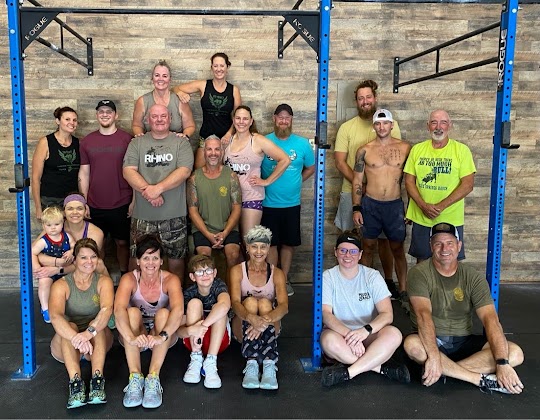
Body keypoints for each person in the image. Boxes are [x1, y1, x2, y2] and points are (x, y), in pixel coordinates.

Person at [403, 222, 525, 394]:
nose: (444, 248)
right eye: (438, 243)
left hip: (464, 341)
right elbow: (423, 315)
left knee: (515, 353)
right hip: (431, 340)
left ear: (459, 246)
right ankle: (477, 378)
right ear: (431, 246)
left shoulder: (473, 277)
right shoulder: (419, 273)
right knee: (412, 345)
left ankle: (445, 371)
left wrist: (502, 364)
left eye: (450, 243)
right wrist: (434, 354)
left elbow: (490, 319)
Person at [334, 80, 401, 298]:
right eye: (361, 98)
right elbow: (340, 162)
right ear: (356, 101)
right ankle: (354, 285)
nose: (365, 101)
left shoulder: (390, 123)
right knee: (352, 239)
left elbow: (397, 159)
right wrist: (361, 184)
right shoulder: (347, 128)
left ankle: (388, 282)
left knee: (384, 240)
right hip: (351, 191)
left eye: (368, 97)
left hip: (383, 198)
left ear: (375, 98)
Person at [320, 231, 410, 387]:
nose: (348, 255)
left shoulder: (372, 276)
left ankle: (349, 372)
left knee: (394, 334)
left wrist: (364, 331)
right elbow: (326, 314)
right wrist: (350, 336)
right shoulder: (328, 277)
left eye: (353, 251)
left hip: (369, 334)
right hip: (341, 335)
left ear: (360, 254)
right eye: (343, 250)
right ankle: (379, 367)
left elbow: (387, 314)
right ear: (335, 252)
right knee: (327, 341)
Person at [123, 104, 194, 282]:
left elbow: (184, 171)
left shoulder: (181, 142)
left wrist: (158, 188)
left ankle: (175, 295)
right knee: (136, 259)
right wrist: (149, 191)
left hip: (174, 215)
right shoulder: (137, 143)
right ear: (147, 120)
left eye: (163, 116)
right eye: (154, 116)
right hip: (142, 215)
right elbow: (128, 171)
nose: (159, 120)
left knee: (176, 260)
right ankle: (136, 295)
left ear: (170, 118)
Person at [114, 234, 184, 409]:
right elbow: (118, 310)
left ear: (161, 261)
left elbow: (178, 310)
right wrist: (130, 337)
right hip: (136, 333)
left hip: (161, 334)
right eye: (146, 258)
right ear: (138, 261)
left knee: (163, 313)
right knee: (131, 312)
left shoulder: (170, 280)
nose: (150, 263)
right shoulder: (129, 279)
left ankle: (153, 378)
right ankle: (135, 377)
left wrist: (163, 335)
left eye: (155, 258)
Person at [352, 109, 411, 305]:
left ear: (392, 125)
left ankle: (403, 290)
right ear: (374, 126)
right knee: (368, 246)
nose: (382, 127)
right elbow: (357, 181)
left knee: (397, 248)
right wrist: (356, 208)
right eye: (378, 123)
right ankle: (365, 289)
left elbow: (412, 180)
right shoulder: (364, 150)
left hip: (394, 205)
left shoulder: (405, 148)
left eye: (385, 123)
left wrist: (411, 209)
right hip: (371, 204)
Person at [48, 238, 114, 409]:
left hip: (96, 342)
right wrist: (78, 338)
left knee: (96, 324)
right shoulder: (61, 285)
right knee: (69, 326)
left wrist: (88, 333)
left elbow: (106, 310)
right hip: (69, 344)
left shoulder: (103, 281)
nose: (89, 261)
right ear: (75, 260)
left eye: (93, 257)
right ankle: (75, 384)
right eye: (83, 257)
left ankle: (97, 381)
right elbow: (55, 316)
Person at [404, 109, 475, 263]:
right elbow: (408, 181)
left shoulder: (461, 150)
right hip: (421, 217)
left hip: (450, 218)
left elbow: (468, 185)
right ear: (427, 126)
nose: (438, 127)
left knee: (449, 262)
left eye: (443, 122)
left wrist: (440, 206)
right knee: (422, 262)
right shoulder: (417, 149)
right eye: (434, 122)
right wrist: (423, 206)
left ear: (450, 125)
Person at [261, 104, 315, 297]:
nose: (283, 121)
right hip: (268, 203)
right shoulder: (264, 141)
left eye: (287, 118)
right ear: (274, 119)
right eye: (280, 117)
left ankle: (283, 279)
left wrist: (298, 179)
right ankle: (273, 280)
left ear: (291, 120)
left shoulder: (302, 144)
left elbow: (311, 167)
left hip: (292, 203)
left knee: (288, 243)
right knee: (271, 243)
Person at [229, 225, 288, 390]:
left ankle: (269, 364)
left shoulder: (277, 273)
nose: (259, 251)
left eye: (263, 247)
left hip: (268, 326)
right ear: (247, 247)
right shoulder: (237, 271)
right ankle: (252, 363)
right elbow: (235, 303)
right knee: (249, 302)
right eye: (254, 246)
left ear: (268, 248)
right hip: (243, 328)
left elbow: (284, 306)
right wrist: (251, 318)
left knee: (264, 303)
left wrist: (262, 322)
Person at [79, 100, 133, 277]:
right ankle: (99, 280)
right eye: (101, 111)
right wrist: (84, 202)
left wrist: (134, 200)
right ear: (96, 115)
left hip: (121, 202)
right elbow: (84, 173)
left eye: (108, 111)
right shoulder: (87, 141)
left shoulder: (127, 140)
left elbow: (135, 171)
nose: (105, 114)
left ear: (116, 115)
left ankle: (124, 277)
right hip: (95, 204)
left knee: (122, 243)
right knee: (96, 246)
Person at [224, 105, 290, 238]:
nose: (241, 122)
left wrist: (266, 181)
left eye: (245, 119)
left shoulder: (258, 140)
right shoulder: (227, 140)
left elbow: (285, 160)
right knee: (232, 242)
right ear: (233, 120)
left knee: (249, 240)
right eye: (238, 118)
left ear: (251, 121)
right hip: (228, 198)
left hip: (251, 197)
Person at [172, 52, 242, 168]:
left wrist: (229, 134)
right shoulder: (203, 85)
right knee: (198, 172)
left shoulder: (234, 90)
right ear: (211, 67)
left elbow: (239, 117)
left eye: (222, 65)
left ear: (227, 67)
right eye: (215, 66)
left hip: (225, 139)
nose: (218, 69)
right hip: (205, 137)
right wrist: (180, 93)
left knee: (223, 173)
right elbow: (175, 88)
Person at [187, 135, 242, 275]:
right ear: (204, 152)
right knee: (204, 257)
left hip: (227, 228)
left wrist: (225, 233)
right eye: (209, 149)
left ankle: (231, 288)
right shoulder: (194, 178)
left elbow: (237, 208)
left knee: (233, 255)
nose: (213, 153)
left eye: (217, 149)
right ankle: (208, 288)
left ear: (222, 152)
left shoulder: (231, 176)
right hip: (203, 229)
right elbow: (193, 211)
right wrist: (208, 234)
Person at [34, 194, 110, 290]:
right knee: (44, 279)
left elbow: (89, 262)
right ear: (64, 212)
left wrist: (57, 269)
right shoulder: (55, 226)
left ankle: (107, 293)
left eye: (79, 208)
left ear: (86, 211)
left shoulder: (96, 233)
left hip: (85, 270)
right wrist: (57, 262)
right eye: (70, 209)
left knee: (98, 263)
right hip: (61, 268)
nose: (75, 212)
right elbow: (33, 252)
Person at [178, 255, 231, 389]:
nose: (205, 275)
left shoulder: (219, 286)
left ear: (215, 273)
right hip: (194, 342)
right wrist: (192, 330)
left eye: (208, 270)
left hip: (218, 341)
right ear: (192, 277)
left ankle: (211, 362)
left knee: (219, 309)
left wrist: (202, 326)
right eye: (200, 272)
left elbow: (225, 305)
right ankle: (196, 359)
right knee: (194, 303)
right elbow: (179, 332)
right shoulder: (189, 293)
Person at [31, 106, 80, 220]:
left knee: (72, 230)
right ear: (58, 121)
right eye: (67, 119)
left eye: (74, 120)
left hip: (72, 199)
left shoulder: (78, 143)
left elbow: (82, 175)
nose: (72, 123)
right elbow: (35, 178)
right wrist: (38, 207)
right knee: (54, 229)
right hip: (50, 199)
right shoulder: (45, 142)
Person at [131, 60, 196, 144]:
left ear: (169, 79)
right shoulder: (142, 101)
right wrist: (140, 137)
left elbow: (190, 126)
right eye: (157, 75)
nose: (160, 79)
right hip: (150, 145)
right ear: (152, 78)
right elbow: (136, 125)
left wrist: (185, 135)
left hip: (175, 144)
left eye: (164, 76)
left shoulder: (180, 100)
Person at [31, 206, 75, 323]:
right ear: (43, 226)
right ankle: (45, 308)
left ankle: (69, 308)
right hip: (48, 270)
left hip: (65, 269)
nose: (53, 228)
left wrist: (71, 251)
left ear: (62, 223)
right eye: (49, 225)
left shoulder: (67, 237)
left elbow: (75, 246)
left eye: (56, 224)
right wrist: (37, 268)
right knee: (44, 282)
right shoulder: (43, 241)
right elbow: (32, 253)